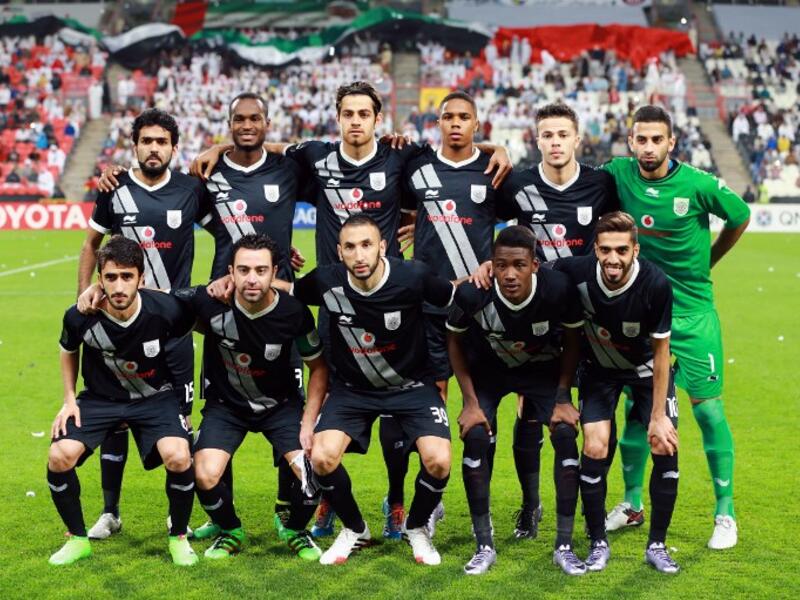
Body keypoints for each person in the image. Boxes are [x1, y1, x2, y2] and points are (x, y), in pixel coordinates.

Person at [193, 81, 510, 540]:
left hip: (394, 302)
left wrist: (493, 145)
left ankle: (397, 501)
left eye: (365, 113)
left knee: (404, 411)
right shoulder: (316, 157)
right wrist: (223, 144)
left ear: (378, 119)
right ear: (338, 117)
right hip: (334, 300)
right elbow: (265, 145)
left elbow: (452, 146)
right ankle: (325, 500)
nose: (357, 121)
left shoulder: (400, 156)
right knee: (334, 404)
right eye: (348, 113)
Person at [602, 105, 750, 549]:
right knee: (636, 413)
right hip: (642, 318)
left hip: (692, 315)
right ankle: (631, 504)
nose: (648, 148)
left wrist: (710, 260)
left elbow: (740, 214)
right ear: (630, 142)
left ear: (672, 143)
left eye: (656, 140)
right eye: (640, 140)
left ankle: (725, 512)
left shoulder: (698, 184)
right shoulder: (617, 175)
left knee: (707, 410)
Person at [476, 102, 619, 538]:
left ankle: (594, 495)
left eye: (563, 135)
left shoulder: (600, 184)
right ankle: (531, 504)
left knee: (593, 412)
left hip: (587, 317)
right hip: (533, 317)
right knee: (530, 410)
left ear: (577, 139)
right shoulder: (518, 184)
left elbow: (617, 233)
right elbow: (477, 210)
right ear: (536, 140)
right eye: (547, 135)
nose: (555, 143)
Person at [285, 215, 456, 565]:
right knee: (322, 457)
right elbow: (288, 291)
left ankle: (417, 527)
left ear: (382, 247)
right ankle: (355, 529)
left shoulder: (413, 276)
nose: (359, 254)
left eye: (366, 245)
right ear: (339, 251)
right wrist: (231, 282)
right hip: (353, 390)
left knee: (438, 461)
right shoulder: (326, 281)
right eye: (350, 247)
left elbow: (454, 294)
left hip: (411, 386)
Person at [77, 108, 207, 540]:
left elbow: (225, 234)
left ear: (173, 147)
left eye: (162, 142)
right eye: (146, 141)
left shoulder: (191, 190)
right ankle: (110, 512)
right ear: (135, 145)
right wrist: (83, 296)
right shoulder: (115, 189)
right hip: (119, 329)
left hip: (174, 331)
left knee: (180, 423)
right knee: (113, 418)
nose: (154, 148)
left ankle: (178, 515)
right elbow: (91, 244)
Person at [176, 234, 328, 560]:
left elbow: (318, 367)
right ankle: (230, 529)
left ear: (275, 273)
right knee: (204, 473)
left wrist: (308, 419)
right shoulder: (209, 301)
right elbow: (153, 298)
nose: (252, 279)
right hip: (226, 407)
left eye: (261, 270)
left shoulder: (294, 312)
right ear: (230, 272)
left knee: (313, 471)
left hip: (281, 407)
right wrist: (98, 289)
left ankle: (295, 529)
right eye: (243, 270)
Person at [48, 236, 197, 566]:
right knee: (59, 455)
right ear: (99, 279)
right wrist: (69, 399)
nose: (119, 286)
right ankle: (77, 539)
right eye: (111, 277)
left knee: (177, 455)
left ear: (141, 279)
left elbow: (185, 352)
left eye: (127, 276)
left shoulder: (166, 311)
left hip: (154, 398)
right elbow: (68, 349)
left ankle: (179, 537)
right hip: (101, 399)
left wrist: (184, 409)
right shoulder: (80, 315)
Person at [447, 225, 584, 575]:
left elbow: (572, 340)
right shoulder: (472, 294)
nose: (510, 274)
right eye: (501, 265)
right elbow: (454, 343)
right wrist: (470, 401)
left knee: (566, 434)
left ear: (535, 265)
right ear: (490, 265)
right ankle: (484, 545)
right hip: (490, 372)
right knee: (476, 435)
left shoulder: (558, 290)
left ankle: (564, 546)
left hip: (542, 371)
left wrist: (563, 395)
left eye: (519, 265)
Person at [554, 212, 680, 573]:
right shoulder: (574, 272)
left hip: (646, 371)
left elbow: (661, 355)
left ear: (635, 250)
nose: (613, 258)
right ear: (595, 248)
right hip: (599, 371)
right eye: (606, 249)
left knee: (665, 442)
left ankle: (656, 545)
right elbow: (531, 269)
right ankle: (597, 542)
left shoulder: (655, 284)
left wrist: (657, 417)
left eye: (622, 250)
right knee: (594, 446)